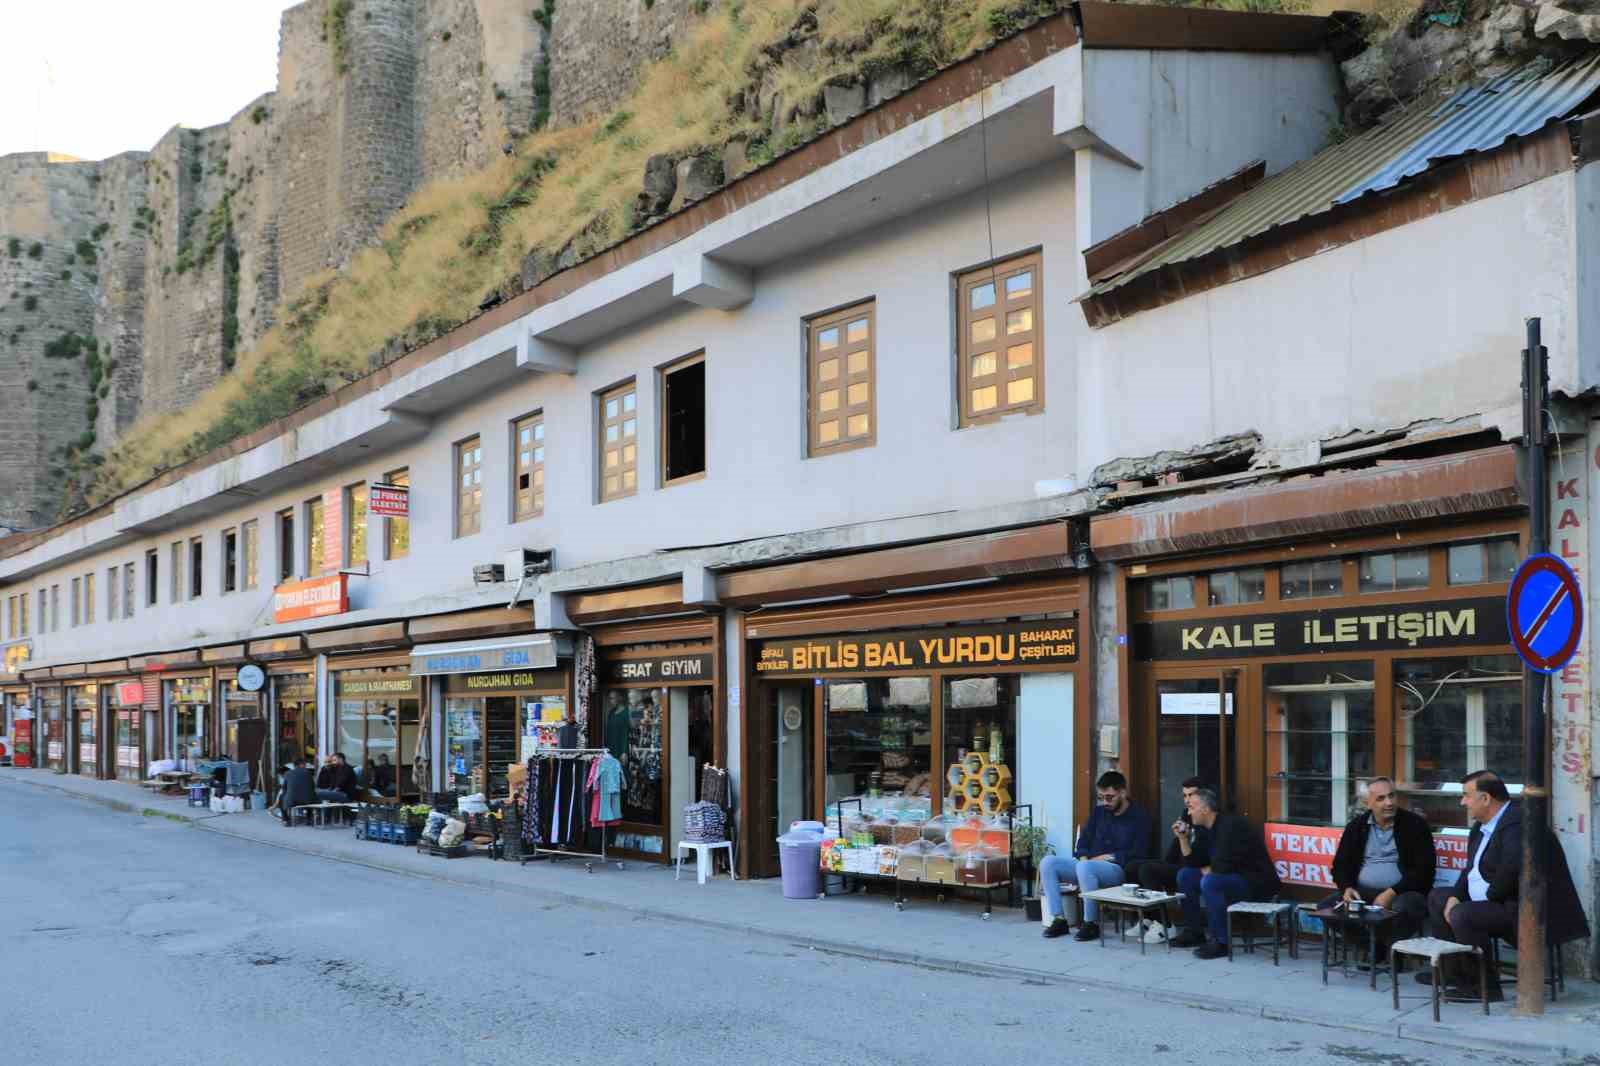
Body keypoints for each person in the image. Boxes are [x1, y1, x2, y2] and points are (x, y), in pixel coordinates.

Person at [1421, 770, 1591, 1002]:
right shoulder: (1481, 827)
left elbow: (1511, 870)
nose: (1463, 802)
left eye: (1466, 796)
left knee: (1464, 914)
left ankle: (1484, 987)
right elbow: (1471, 869)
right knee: (1439, 898)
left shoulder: (1518, 822)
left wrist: (1482, 900)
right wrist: (1456, 895)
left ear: (1486, 798)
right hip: (1499, 902)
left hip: (1524, 909)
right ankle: (1455, 975)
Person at [1038, 771, 1152, 942]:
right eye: (1101, 797)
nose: (1104, 802)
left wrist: (1106, 857)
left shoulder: (1140, 817)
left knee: (1085, 867)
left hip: (1117, 870)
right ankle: (1059, 919)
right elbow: (1083, 841)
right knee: (1048, 862)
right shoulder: (1099, 812)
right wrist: (1083, 858)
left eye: (1109, 797)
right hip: (1087, 866)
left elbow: (1139, 852)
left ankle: (1091, 923)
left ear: (1122, 792)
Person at [1323, 777, 1433, 944]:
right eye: (1381, 798)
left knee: (1406, 907)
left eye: (1391, 796)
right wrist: (1347, 888)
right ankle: (1369, 947)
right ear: (1367, 803)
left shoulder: (1415, 825)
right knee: (1327, 907)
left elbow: (1424, 870)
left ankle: (1390, 949)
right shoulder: (1356, 827)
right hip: (1363, 891)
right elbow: (1340, 865)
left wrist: (1391, 892)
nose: (1389, 803)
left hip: (1403, 891)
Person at [1173, 788, 1281, 959]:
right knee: (1185, 875)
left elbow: (1222, 866)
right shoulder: (1204, 829)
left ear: (1205, 809)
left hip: (1255, 883)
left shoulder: (1231, 826)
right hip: (1230, 878)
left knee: (1210, 882)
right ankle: (1194, 932)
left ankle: (1221, 942)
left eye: (1192, 807)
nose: (1188, 811)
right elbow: (1193, 862)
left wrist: (1207, 868)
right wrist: (1183, 839)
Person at [1126, 777, 1211, 893]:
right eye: (1184, 796)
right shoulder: (1186, 813)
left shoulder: (1206, 817)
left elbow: (1201, 854)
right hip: (1180, 863)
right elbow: (1176, 845)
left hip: (1193, 866)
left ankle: (1156, 910)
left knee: (1148, 869)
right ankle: (1136, 909)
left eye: (1191, 795)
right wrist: (1165, 863)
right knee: (1132, 867)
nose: (1187, 800)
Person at [278, 757, 317, 827]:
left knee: (281, 797)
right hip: (308, 801)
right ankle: (309, 818)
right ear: (301, 764)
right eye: (304, 764)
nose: (305, 766)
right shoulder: (308, 773)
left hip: (292, 801)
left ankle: (286, 820)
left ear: (294, 765)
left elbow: (284, 788)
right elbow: (313, 787)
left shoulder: (288, 773)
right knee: (312, 795)